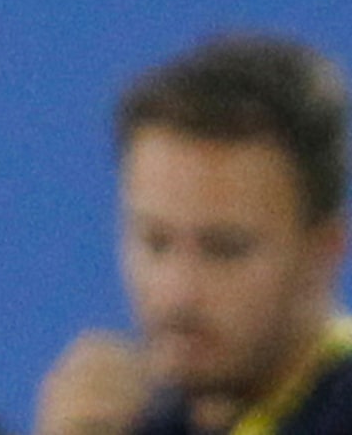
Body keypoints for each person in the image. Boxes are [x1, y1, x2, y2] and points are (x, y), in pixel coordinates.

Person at [34, 35, 352, 435]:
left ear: (323, 251)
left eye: (224, 250)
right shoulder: (141, 422)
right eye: (155, 242)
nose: (177, 293)